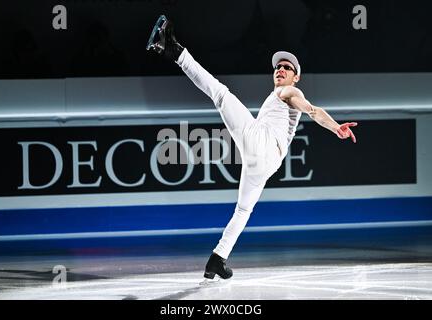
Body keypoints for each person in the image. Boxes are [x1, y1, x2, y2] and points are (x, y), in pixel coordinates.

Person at [146, 15, 358, 281]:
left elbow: (312, 110)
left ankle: (174, 49)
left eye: (286, 68)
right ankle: (217, 259)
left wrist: (335, 127)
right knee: (244, 209)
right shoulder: (277, 97)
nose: (280, 70)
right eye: (278, 67)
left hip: (264, 146)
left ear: (296, 77)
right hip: (266, 160)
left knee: (221, 94)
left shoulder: (288, 93)